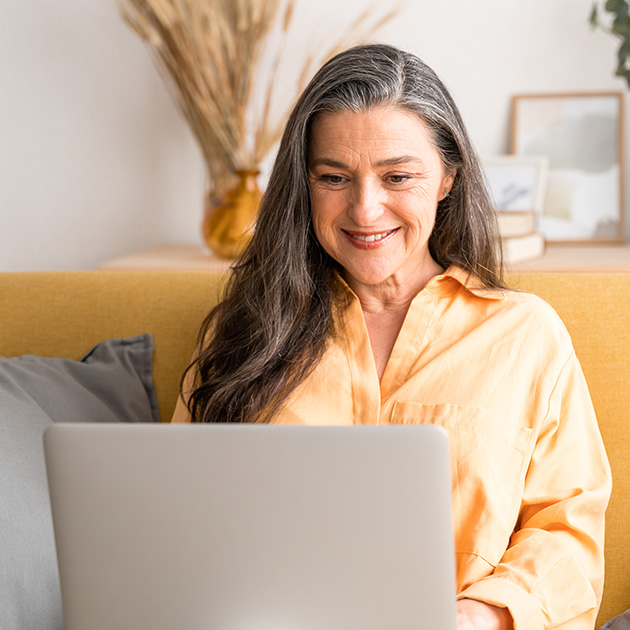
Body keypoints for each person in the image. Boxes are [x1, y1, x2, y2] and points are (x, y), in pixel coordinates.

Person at [172, 44, 611, 630]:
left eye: (397, 176)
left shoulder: (526, 335)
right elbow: (179, 516)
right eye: (334, 177)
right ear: (303, 185)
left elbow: (567, 534)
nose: (365, 208)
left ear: (448, 178)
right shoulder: (243, 332)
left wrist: (478, 617)